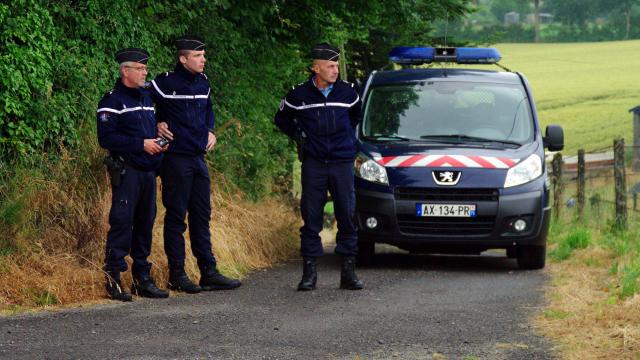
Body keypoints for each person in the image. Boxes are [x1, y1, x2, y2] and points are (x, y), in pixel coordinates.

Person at [151, 35, 241, 293]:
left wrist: (210, 130)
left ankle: (209, 272)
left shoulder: (203, 83)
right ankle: (177, 275)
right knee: (177, 217)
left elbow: (208, 109)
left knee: (202, 216)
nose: (204, 60)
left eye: (204, 56)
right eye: (198, 56)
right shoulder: (164, 82)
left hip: (198, 158)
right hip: (175, 159)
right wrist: (155, 124)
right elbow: (143, 105)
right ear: (183, 58)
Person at [274, 43, 364, 291]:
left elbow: (355, 116)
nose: (335, 70)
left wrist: (345, 140)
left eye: (336, 65)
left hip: (342, 162)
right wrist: (301, 137)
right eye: (330, 66)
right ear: (316, 68)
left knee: (346, 214)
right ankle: (309, 273)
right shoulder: (298, 95)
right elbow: (281, 119)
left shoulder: (349, 93)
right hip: (314, 163)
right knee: (311, 216)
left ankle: (348, 272)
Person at [97, 48, 169, 301]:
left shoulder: (146, 99)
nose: (145, 72)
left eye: (145, 68)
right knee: (121, 223)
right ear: (125, 71)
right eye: (140, 69)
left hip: (148, 172)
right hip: (127, 172)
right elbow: (106, 137)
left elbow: (148, 131)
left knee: (145, 225)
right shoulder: (112, 101)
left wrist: (159, 142)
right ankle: (113, 278)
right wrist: (141, 144)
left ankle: (142, 279)